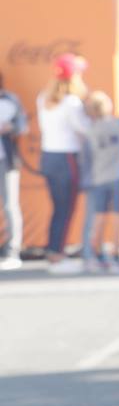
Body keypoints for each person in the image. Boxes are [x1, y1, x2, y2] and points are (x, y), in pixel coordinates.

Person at [36, 53, 90, 274]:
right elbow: (84, 129)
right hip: (67, 158)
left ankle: (54, 250)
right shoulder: (72, 102)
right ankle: (57, 255)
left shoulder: (43, 98)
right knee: (66, 209)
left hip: (49, 157)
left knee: (58, 208)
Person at [79, 91, 119, 273]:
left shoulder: (89, 131)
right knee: (118, 216)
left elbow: (85, 158)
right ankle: (116, 254)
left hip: (98, 178)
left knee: (98, 217)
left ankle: (96, 254)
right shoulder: (116, 124)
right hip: (117, 176)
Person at [0, 69, 28, 270]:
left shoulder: (10, 100)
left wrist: (11, 128)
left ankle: (12, 250)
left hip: (6, 159)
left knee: (10, 204)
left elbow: (23, 126)